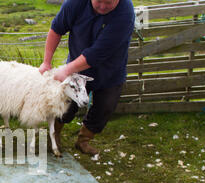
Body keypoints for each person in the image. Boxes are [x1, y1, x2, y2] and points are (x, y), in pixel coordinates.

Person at [39, 0, 135, 155]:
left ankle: (83, 140)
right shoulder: (74, 3)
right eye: (99, 1)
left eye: (109, 3)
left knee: (104, 107)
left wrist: (66, 69)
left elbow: (97, 53)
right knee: (66, 105)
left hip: (110, 71)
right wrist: (46, 62)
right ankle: (54, 134)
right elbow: (56, 29)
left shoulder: (125, 13)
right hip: (77, 69)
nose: (103, 6)